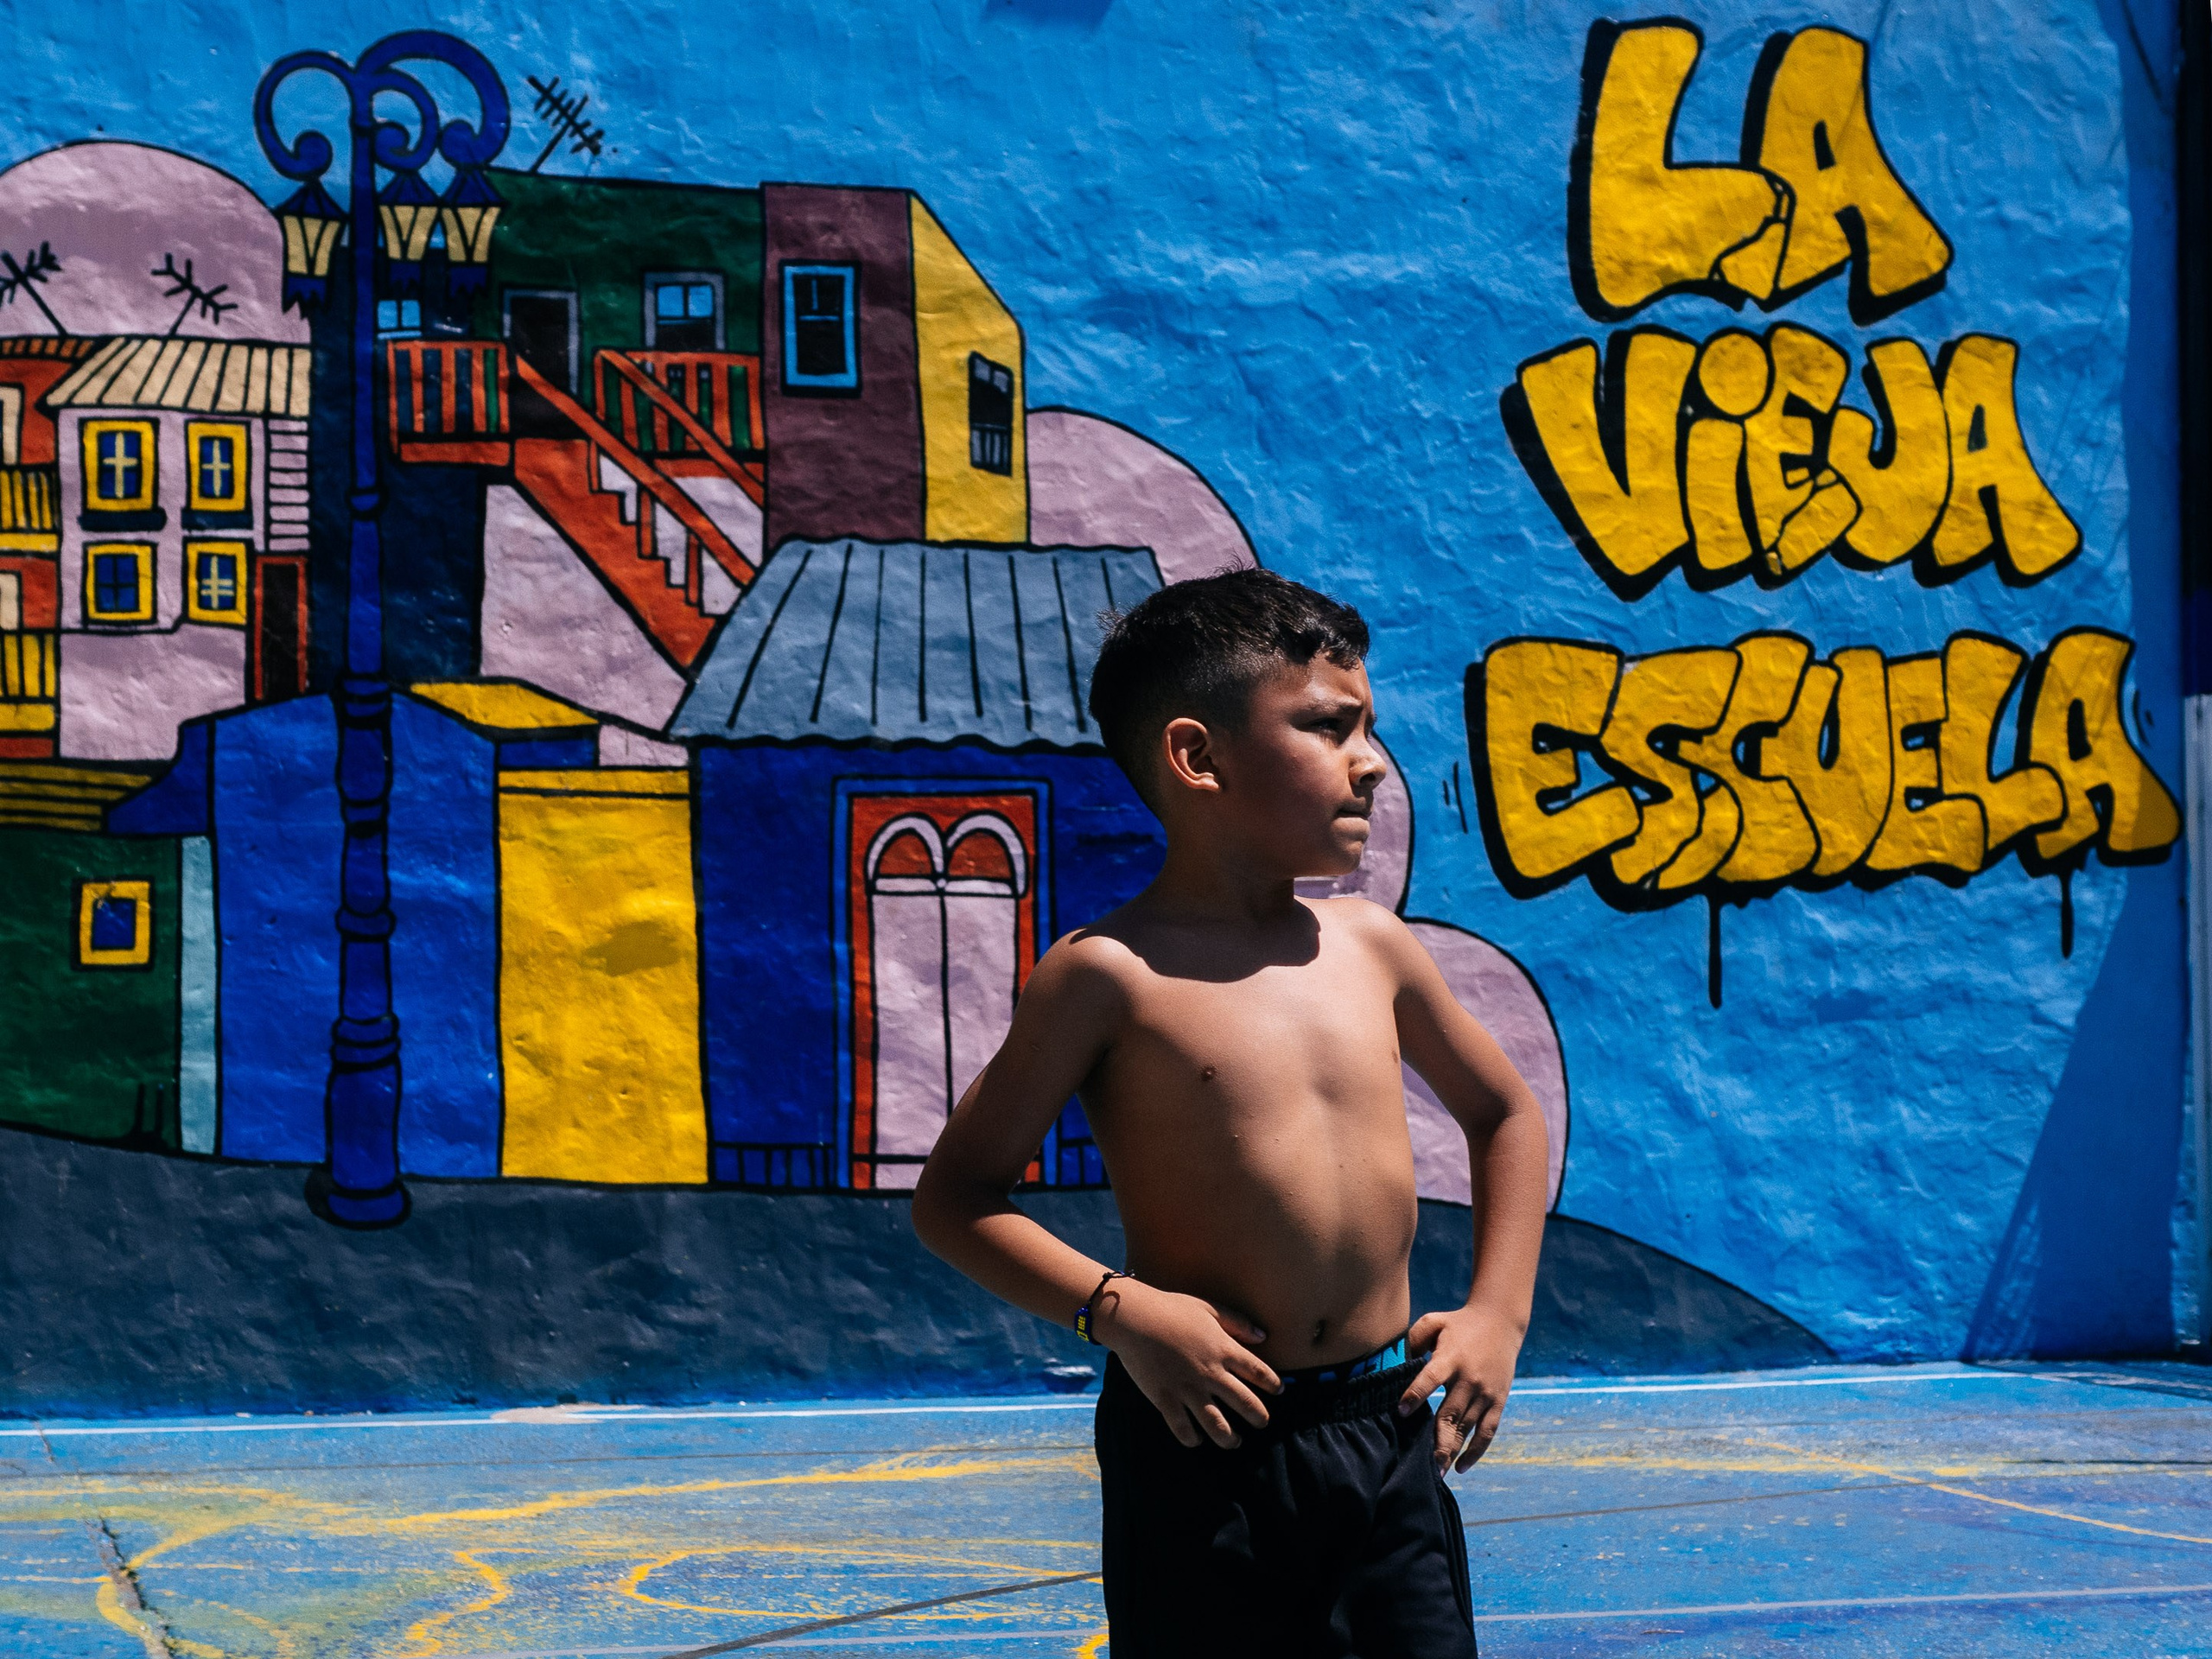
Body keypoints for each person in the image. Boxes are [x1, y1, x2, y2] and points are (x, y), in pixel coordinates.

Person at [912, 568, 1549, 1657]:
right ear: (1197, 757)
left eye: (1369, 729)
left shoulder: (1371, 946)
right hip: (1203, 1441)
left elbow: (1506, 1117)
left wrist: (1499, 1313)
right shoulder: (1107, 974)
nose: (1371, 765)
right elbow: (956, 1200)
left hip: (1386, 1430)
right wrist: (1120, 1313)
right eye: (1327, 727)